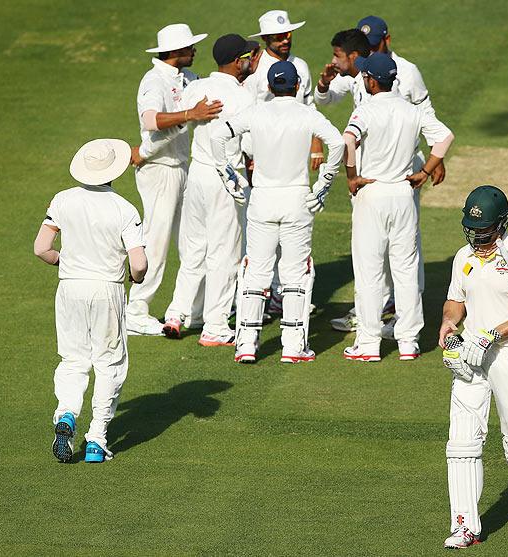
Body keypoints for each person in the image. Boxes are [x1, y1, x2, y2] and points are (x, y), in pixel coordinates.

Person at [438, 185, 508, 548]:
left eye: (484, 231)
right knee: (461, 444)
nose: (477, 238)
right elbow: (455, 301)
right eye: (472, 231)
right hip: (471, 357)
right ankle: (464, 526)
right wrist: (448, 324)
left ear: (501, 224)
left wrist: (494, 334)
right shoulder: (462, 257)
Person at [211, 61, 345, 363]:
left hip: (262, 199)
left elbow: (217, 136)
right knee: (296, 273)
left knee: (255, 271)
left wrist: (227, 174)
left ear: (270, 86)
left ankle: (246, 344)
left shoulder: (257, 111)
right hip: (297, 198)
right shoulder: (308, 114)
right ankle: (294, 346)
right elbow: (337, 143)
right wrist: (323, 183)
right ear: (297, 85)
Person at [34, 139, 147, 463]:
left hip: (70, 287)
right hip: (107, 290)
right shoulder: (124, 209)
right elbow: (138, 264)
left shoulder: (62, 200)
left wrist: (64, 262)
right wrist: (136, 279)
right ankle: (96, 439)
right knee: (109, 362)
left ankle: (67, 413)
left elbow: (42, 248)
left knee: (73, 359)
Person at [341, 53, 453, 361]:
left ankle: (368, 343)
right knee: (405, 270)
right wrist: (425, 171)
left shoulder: (365, 110)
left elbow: (347, 141)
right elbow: (444, 137)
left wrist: (352, 176)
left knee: (369, 272)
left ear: (372, 81)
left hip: (373, 193)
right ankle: (408, 342)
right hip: (404, 194)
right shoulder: (411, 110)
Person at [126, 24, 223, 335]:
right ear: (174, 52)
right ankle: (136, 310)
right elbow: (151, 120)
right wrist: (189, 115)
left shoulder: (188, 78)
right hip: (159, 169)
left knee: (193, 241)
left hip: (183, 167)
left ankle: (193, 309)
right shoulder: (153, 81)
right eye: (189, 47)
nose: (195, 51)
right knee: (156, 241)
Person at [162, 34, 255, 345]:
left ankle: (176, 313)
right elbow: (252, 146)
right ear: (236, 61)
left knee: (194, 250)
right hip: (226, 178)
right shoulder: (244, 97)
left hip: (198, 176)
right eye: (249, 55)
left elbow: (178, 121)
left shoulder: (197, 88)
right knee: (225, 254)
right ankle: (215, 326)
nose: (253, 59)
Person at [244, 9, 325, 316]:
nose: (285, 40)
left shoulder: (300, 66)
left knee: (291, 230)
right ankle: (262, 296)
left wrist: (316, 144)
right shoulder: (255, 70)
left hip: (293, 154)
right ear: (265, 39)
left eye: (288, 34)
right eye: (278, 37)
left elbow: (308, 105)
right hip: (263, 159)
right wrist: (249, 157)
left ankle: (281, 295)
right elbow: (247, 116)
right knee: (264, 231)